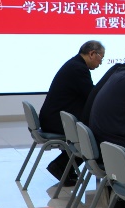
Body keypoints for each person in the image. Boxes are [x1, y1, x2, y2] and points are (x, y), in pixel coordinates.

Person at [38, 40, 104, 196]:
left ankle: (64, 168)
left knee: (88, 131)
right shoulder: (78, 69)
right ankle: (60, 166)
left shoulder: (75, 65)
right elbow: (91, 95)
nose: (101, 62)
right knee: (92, 135)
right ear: (92, 54)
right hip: (56, 120)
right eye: (101, 58)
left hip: (54, 117)